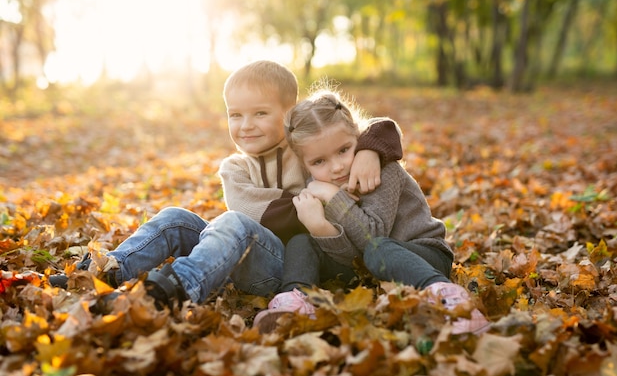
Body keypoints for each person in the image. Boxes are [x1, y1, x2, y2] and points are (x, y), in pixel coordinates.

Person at [49, 60, 403, 310]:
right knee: (175, 218)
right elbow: (258, 216)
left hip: (289, 268)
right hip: (244, 251)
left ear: (291, 115)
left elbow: (379, 126)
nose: (246, 125)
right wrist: (311, 197)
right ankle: (102, 271)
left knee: (233, 225)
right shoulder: (234, 169)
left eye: (260, 113)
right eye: (236, 115)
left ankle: (178, 289)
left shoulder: (308, 150)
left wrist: (370, 152)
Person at [253, 88, 490, 335]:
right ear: (304, 164)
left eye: (344, 150)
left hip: (422, 255)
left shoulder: (382, 170)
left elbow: (370, 237)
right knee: (302, 242)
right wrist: (320, 228)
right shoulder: (315, 185)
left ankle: (449, 299)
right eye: (318, 162)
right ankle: (294, 303)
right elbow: (354, 255)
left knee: (380, 248)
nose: (336, 167)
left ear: (358, 136)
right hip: (369, 264)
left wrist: (334, 198)